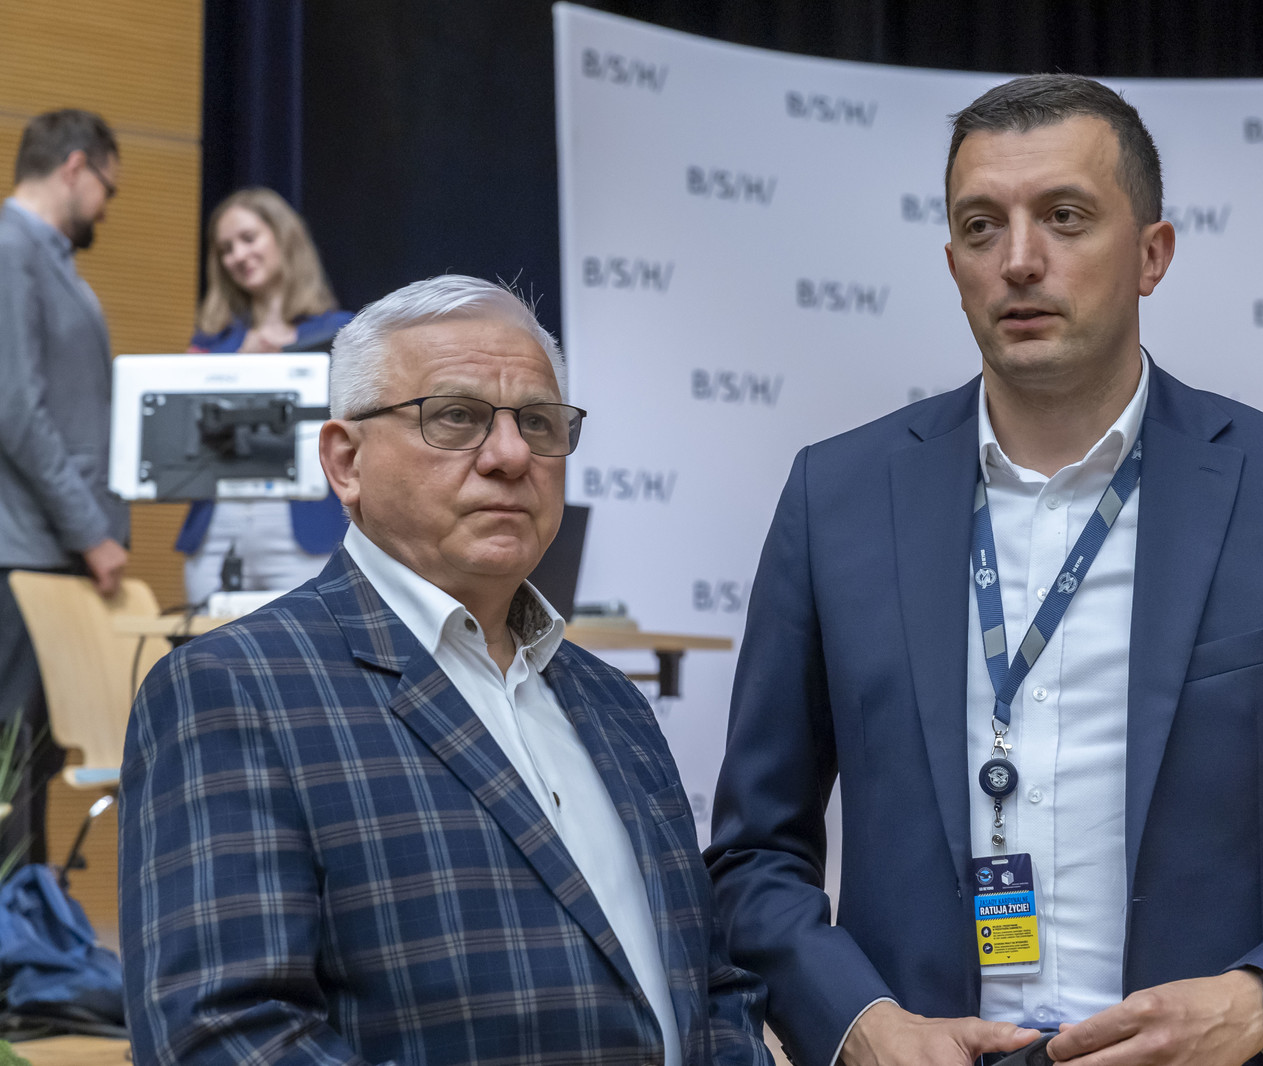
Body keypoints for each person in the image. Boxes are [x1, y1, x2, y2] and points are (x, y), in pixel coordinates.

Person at [707, 74, 1263, 1066]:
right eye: (981, 226)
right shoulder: (836, 499)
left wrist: (1262, 1002)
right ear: (952, 263)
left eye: (1065, 217)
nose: (1018, 259)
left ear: (1151, 254)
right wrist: (857, 1024)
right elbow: (752, 855)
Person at [120, 275, 772, 1066]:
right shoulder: (232, 691)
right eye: (455, 416)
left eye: (539, 422)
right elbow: (224, 1036)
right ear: (346, 461)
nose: (511, 455)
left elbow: (711, 985)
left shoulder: (614, 703)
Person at [0, 109, 128, 864]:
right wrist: (91, 531)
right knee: (10, 767)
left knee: (32, 767)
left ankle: (25, 921)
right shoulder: (11, 247)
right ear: (76, 166)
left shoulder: (41, 256)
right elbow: (15, 410)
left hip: (46, 556)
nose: (106, 209)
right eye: (108, 188)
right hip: (24, 555)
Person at [175, 186, 352, 605]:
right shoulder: (210, 344)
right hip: (217, 531)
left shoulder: (343, 332)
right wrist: (240, 364)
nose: (238, 255)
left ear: (283, 237)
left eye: (248, 238)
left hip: (306, 529)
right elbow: (179, 441)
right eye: (225, 249)